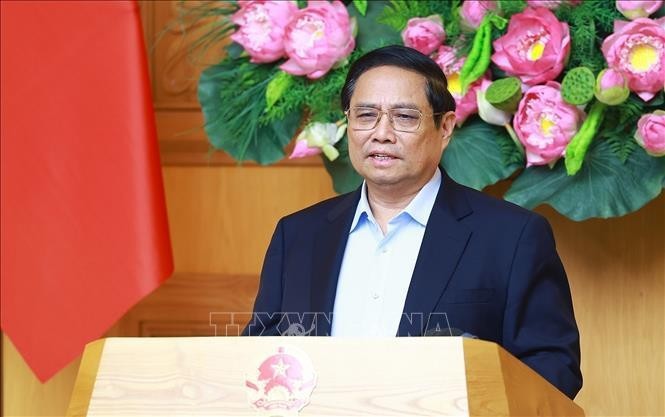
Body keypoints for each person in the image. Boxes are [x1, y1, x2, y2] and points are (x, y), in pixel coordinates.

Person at [243, 45, 582, 399]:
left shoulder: (512, 237)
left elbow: (553, 369)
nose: (382, 133)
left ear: (445, 127)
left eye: (404, 117)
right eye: (366, 115)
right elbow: (259, 360)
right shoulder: (297, 235)